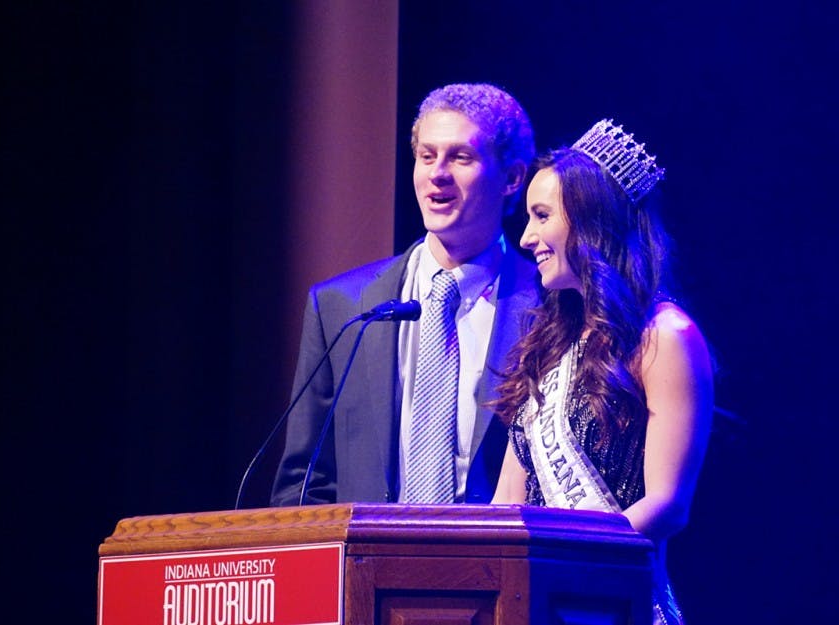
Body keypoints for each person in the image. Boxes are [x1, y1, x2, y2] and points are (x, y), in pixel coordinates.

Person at [270, 83, 539, 506]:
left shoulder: (548, 305)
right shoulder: (342, 307)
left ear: (511, 177)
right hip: (367, 567)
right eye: (426, 156)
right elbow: (304, 482)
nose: (438, 173)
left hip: (498, 567)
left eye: (461, 157)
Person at [490, 119, 714, 624]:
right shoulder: (547, 348)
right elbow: (508, 502)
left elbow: (667, 504)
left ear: (590, 221)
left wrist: (564, 563)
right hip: (537, 604)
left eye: (541, 216)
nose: (526, 238)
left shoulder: (664, 337)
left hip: (614, 603)